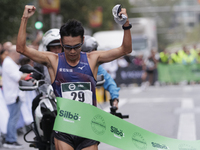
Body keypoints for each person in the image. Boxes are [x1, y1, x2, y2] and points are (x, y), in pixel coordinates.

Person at [16, 5, 132, 150]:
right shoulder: (53, 60)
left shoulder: (93, 59)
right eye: (67, 47)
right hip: (65, 129)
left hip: (88, 128)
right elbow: (21, 48)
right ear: (61, 41)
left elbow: (126, 49)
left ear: (83, 40)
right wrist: (25, 18)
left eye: (76, 47)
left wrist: (126, 24)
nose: (72, 51)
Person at [81, 35, 120, 108]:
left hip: (89, 107)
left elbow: (108, 81)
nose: (96, 54)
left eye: (96, 51)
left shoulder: (96, 67)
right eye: (93, 52)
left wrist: (115, 98)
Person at [2, 45, 28, 149]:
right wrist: (29, 75)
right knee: (13, 119)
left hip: (14, 95)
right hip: (13, 95)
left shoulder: (10, 62)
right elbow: (18, 77)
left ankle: (11, 139)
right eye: (18, 54)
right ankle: (10, 140)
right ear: (14, 53)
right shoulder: (8, 63)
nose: (19, 56)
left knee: (13, 118)